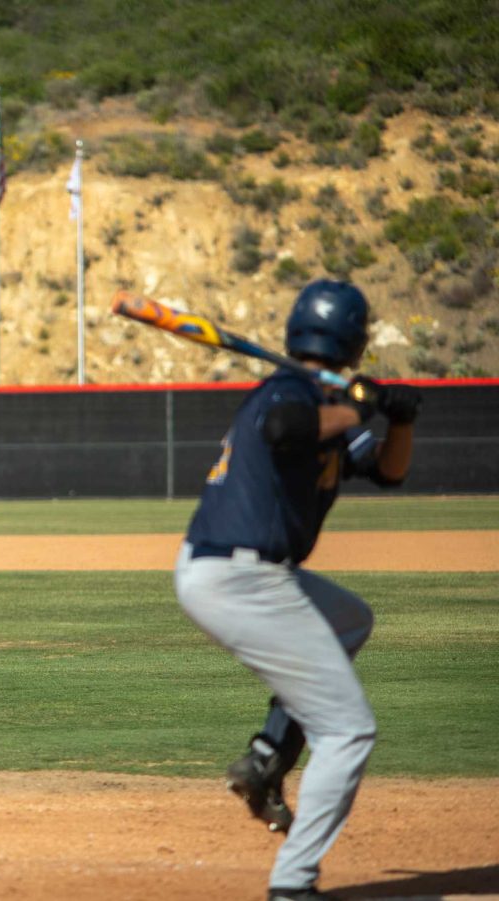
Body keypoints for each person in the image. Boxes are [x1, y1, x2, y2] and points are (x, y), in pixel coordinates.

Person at [172, 280, 422, 901]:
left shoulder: (324, 403)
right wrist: (361, 406)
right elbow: (287, 429)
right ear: (354, 341)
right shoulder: (289, 392)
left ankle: (267, 757)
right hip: (240, 575)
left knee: (349, 620)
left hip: (244, 571)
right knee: (348, 731)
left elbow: (389, 472)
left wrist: (400, 418)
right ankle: (293, 884)